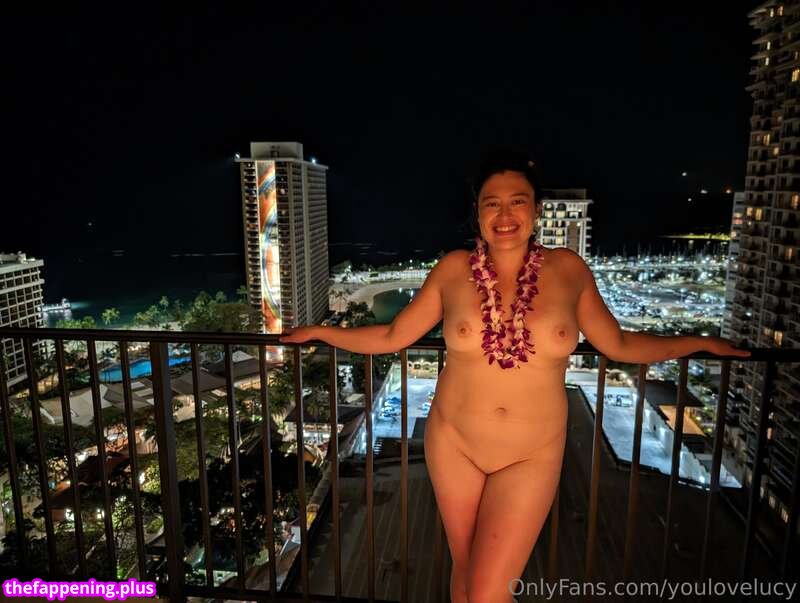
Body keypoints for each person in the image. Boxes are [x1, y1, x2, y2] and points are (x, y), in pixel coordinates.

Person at [278, 147, 750, 602]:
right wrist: (321, 331)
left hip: (531, 453)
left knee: (488, 592)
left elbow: (620, 345)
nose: (504, 215)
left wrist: (698, 342)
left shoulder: (569, 271)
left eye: (517, 202)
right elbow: (392, 335)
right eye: (492, 203)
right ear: (477, 213)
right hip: (454, 443)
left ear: (536, 210)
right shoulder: (452, 270)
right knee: (466, 580)